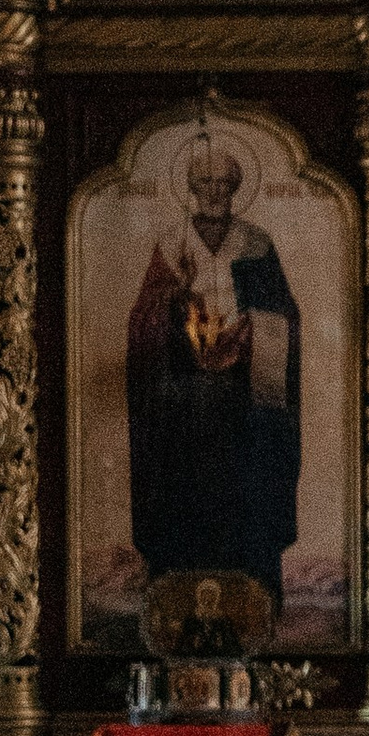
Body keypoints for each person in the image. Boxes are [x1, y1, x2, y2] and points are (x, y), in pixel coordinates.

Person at [125, 133, 301, 611]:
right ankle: (178, 594)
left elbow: (285, 314)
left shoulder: (256, 243)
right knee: (187, 493)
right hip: (186, 401)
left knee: (245, 491)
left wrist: (253, 327)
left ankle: (252, 590)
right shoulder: (171, 242)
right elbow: (143, 321)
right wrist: (175, 304)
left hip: (244, 401)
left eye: (223, 185)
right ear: (192, 189)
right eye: (204, 185)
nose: (214, 194)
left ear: (235, 189)